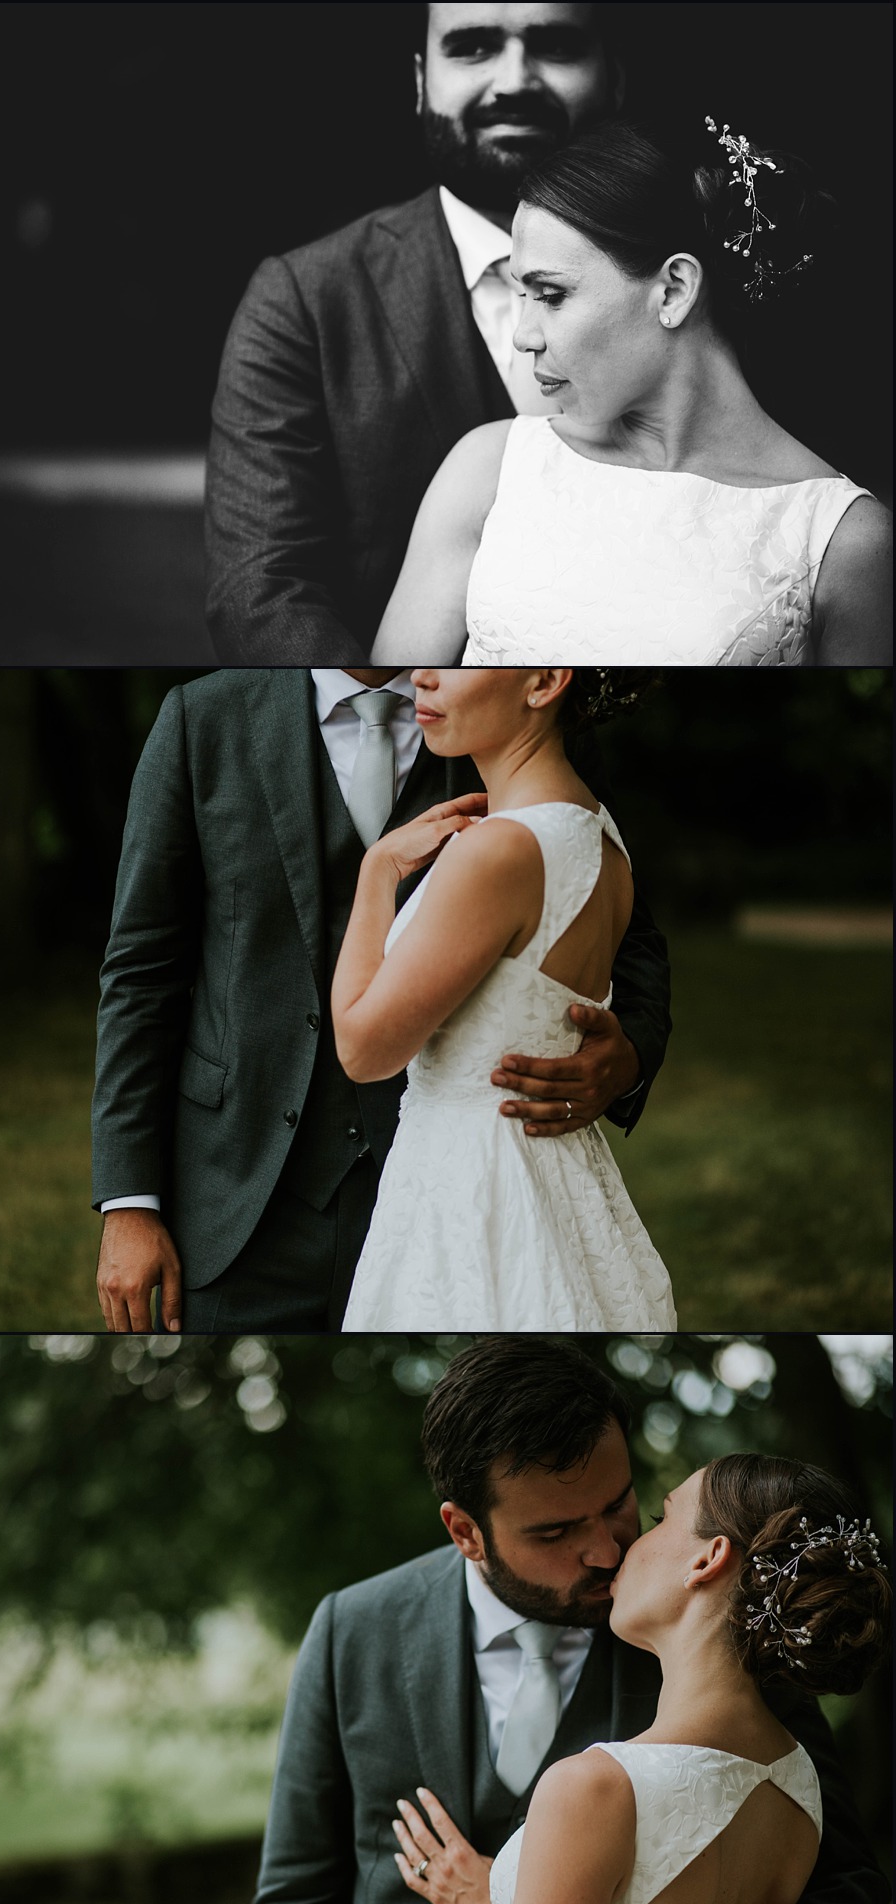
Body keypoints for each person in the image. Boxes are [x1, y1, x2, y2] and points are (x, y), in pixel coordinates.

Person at [250, 1339, 889, 1904]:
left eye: (618, 1504)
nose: (605, 1549)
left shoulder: (729, 1631)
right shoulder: (353, 1628)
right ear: (466, 1530)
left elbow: (846, 1878)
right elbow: (298, 1902)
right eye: (554, 1533)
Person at [91, 667, 671, 1337]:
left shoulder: (502, 704)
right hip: (238, 1205)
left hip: (458, 1204)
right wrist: (129, 1201)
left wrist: (623, 1059)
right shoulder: (205, 716)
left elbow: (625, 934)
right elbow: (141, 970)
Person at [373, 122, 893, 665]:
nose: (524, 336)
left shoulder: (844, 541)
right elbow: (388, 706)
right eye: (521, 293)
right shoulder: (490, 467)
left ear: (673, 291)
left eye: (551, 295)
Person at [205, 4, 619, 661]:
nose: (514, 80)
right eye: (474, 47)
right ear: (422, 80)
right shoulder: (303, 302)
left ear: (613, 75)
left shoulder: (714, 284)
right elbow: (263, 591)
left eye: (555, 46)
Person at [391, 1452, 892, 1904]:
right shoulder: (801, 1788)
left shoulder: (591, 1788)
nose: (618, 1549)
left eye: (661, 1518)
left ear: (706, 1560)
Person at [334, 662, 676, 1331]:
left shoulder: (496, 852)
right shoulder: (601, 836)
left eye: (457, 664)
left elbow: (363, 1048)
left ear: (544, 681)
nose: (421, 678)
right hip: (561, 1172)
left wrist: (376, 874)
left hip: (471, 1181)